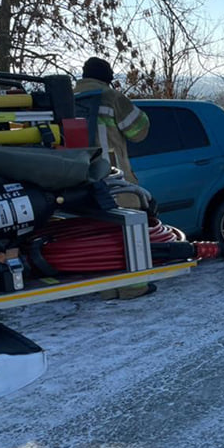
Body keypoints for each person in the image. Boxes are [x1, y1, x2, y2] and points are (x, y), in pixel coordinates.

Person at [74, 56, 155, 300]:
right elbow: (139, 131)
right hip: (113, 178)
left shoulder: (68, 98)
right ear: (107, 78)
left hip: (77, 179)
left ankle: (106, 288)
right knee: (129, 233)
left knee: (97, 235)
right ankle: (134, 287)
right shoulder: (111, 97)